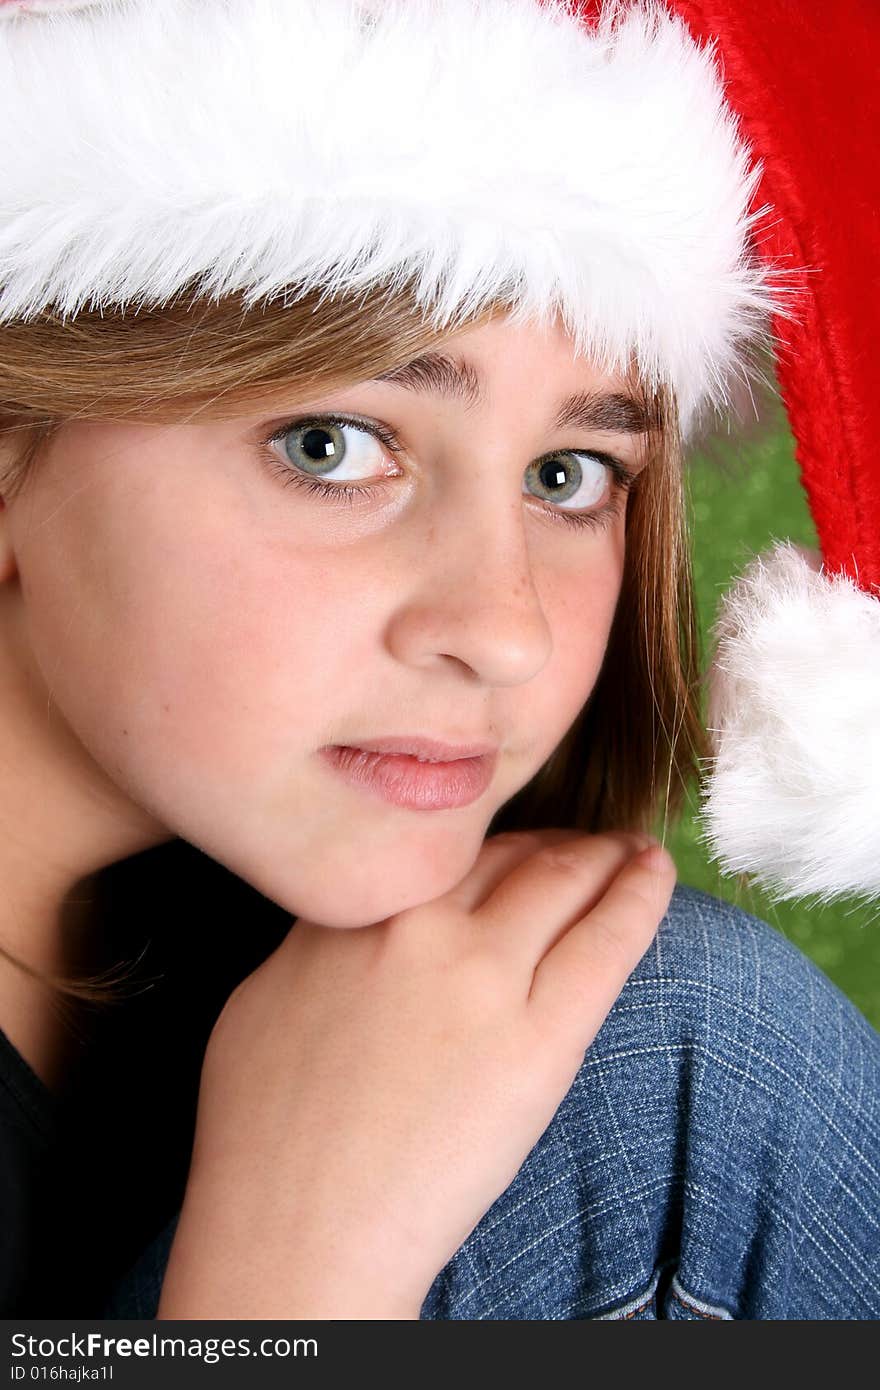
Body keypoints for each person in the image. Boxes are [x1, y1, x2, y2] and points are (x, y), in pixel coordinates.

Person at [0, 0, 877, 1320]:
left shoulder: (233, 928)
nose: (505, 625)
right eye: (332, 448)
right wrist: (294, 1273)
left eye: (568, 475)